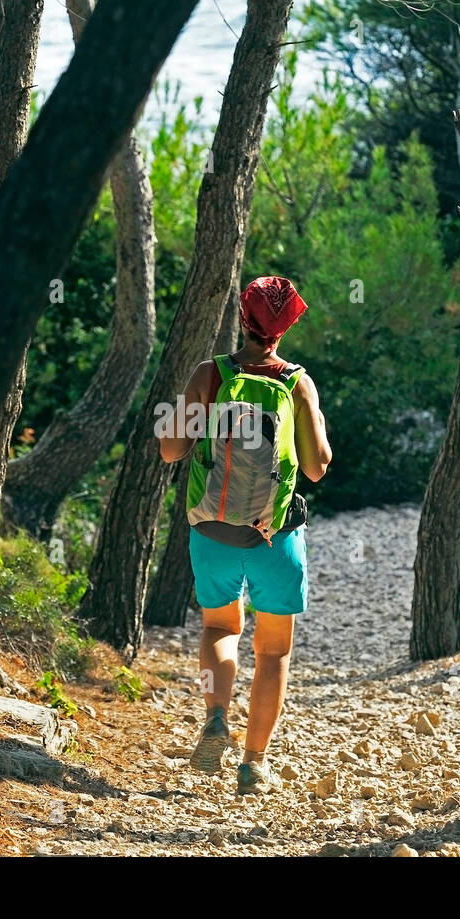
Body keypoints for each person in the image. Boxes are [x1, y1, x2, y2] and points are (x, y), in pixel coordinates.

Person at [157, 276, 332, 794]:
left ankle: (215, 716)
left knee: (218, 629)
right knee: (273, 652)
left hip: (211, 526)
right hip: (274, 536)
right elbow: (317, 467)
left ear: (242, 317)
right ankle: (253, 764)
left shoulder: (208, 375)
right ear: (286, 326)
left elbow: (171, 450)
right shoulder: (296, 382)